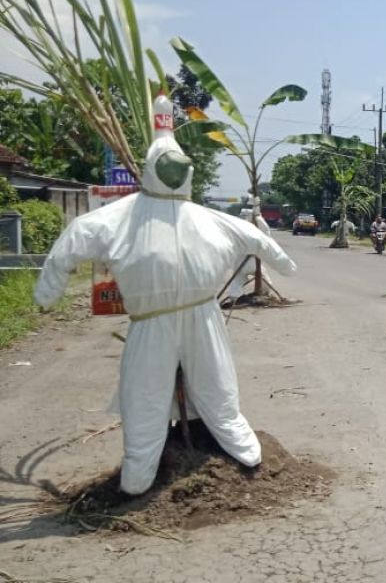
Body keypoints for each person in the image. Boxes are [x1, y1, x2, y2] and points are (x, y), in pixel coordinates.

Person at [34, 95, 296, 495]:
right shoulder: (122, 218)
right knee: (147, 397)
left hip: (197, 317)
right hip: (158, 322)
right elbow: (71, 244)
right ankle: (139, 475)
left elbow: (259, 241)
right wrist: (47, 290)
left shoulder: (188, 218)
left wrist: (284, 263)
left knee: (214, 390)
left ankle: (242, 451)